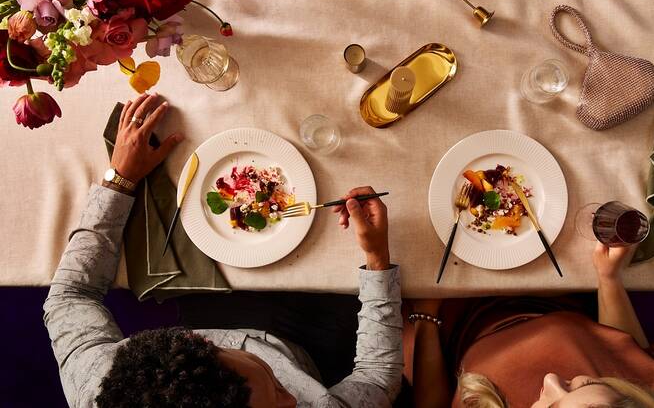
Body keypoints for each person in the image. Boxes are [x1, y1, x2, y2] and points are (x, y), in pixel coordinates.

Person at [43, 93, 403, 408]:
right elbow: (376, 379)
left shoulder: (95, 382)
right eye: (279, 398)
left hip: (210, 307)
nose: (295, 401)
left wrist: (120, 179)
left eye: (276, 386)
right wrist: (376, 262)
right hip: (317, 344)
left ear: (199, 344)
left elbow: (70, 297)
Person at [404, 244, 654, 408]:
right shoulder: (651, 396)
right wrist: (609, 278)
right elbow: (622, 353)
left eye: (552, 406)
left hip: (451, 322)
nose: (552, 379)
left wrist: (426, 315)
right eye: (584, 383)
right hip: (556, 292)